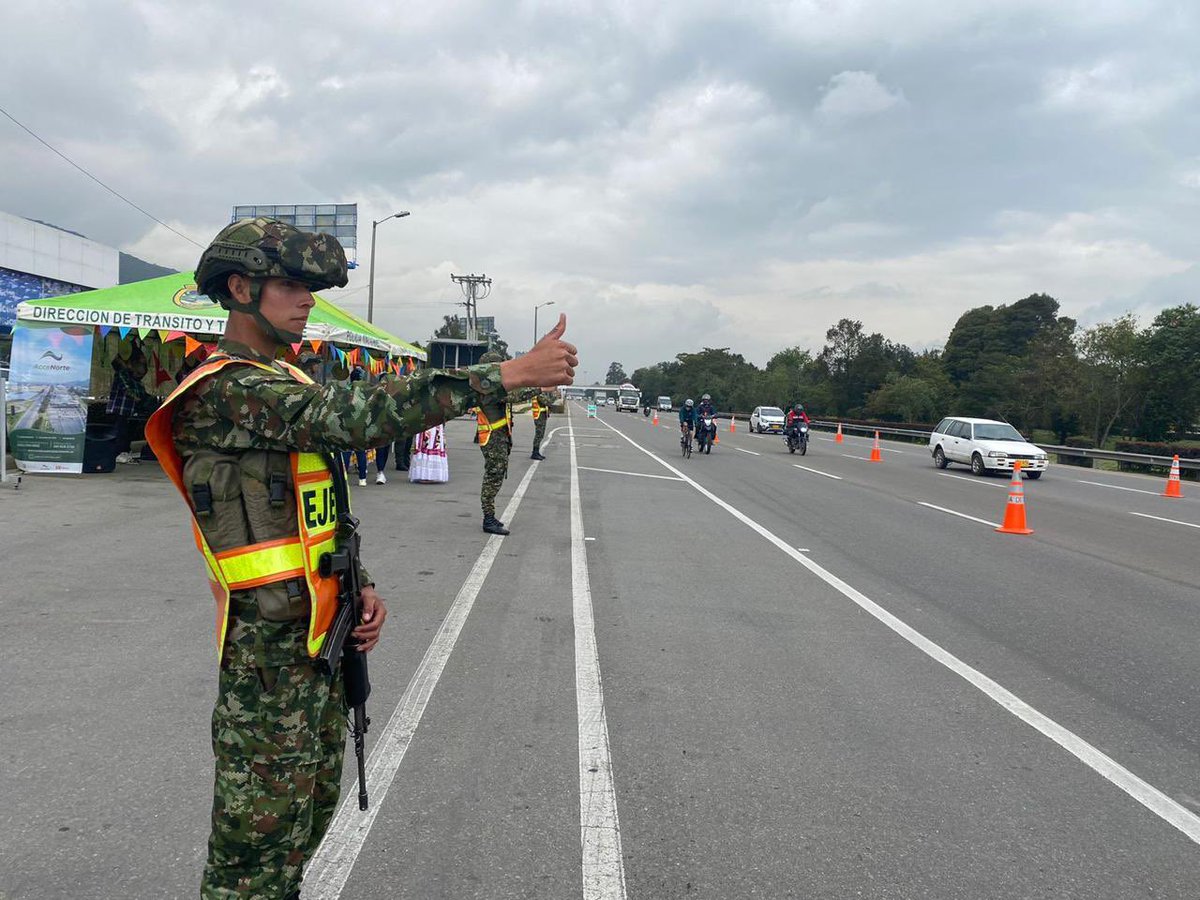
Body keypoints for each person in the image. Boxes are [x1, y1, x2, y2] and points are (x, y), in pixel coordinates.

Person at [143, 217, 576, 899]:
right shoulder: (230, 388)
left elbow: (311, 507)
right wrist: (508, 375)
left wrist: (357, 585)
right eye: (290, 284)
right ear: (240, 288)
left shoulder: (277, 378)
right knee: (252, 857)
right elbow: (353, 415)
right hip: (267, 664)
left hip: (314, 639)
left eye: (311, 287)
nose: (307, 299)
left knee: (304, 820)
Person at [475, 351, 538, 535]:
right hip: (492, 437)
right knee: (492, 477)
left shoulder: (490, 384)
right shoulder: (487, 387)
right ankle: (488, 519)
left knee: (496, 474)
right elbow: (514, 396)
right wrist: (540, 387)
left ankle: (490, 515)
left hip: (499, 436)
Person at [107, 347, 153, 454]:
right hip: (119, 409)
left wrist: (148, 398)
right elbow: (126, 389)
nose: (140, 373)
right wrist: (137, 398)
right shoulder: (122, 373)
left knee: (126, 433)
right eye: (140, 366)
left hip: (128, 411)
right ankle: (118, 454)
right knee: (120, 433)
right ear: (133, 364)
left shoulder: (134, 378)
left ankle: (124, 453)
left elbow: (141, 392)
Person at [530, 387, 552, 460]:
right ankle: (535, 453)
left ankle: (536, 452)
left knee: (539, 435)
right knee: (539, 435)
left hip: (540, 416)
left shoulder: (536, 393)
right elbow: (547, 402)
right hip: (539, 416)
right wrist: (553, 396)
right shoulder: (539, 394)